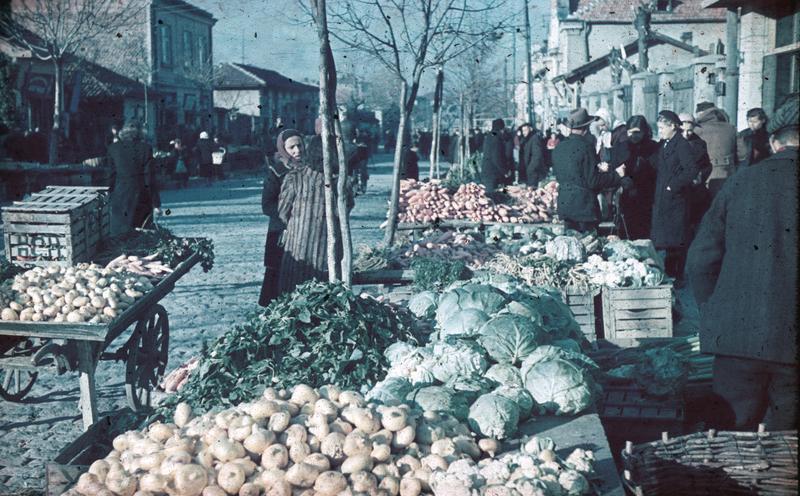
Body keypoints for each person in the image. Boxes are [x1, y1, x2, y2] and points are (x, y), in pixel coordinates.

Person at [686, 124, 798, 431]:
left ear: (775, 143)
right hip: (792, 347)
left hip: (738, 336)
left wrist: (714, 309)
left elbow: (699, 260)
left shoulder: (741, 182)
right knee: (785, 446)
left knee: (733, 436)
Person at [276, 131, 351, 295]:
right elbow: (347, 209)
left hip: (297, 247)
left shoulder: (295, 177)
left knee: (294, 294)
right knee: (324, 295)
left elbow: (282, 211)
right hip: (328, 248)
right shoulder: (340, 181)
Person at [552, 108, 625, 232]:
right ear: (585, 128)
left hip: (565, 204)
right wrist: (616, 175)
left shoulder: (559, 147)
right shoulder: (586, 147)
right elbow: (593, 181)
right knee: (587, 246)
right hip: (583, 207)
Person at [649, 110, 701, 283]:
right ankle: (671, 273)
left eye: (662, 128)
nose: (660, 131)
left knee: (676, 240)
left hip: (675, 199)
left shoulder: (681, 145)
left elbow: (692, 170)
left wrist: (673, 186)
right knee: (668, 239)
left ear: (673, 126)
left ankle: (677, 276)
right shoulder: (666, 143)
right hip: (665, 198)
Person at [259, 129, 302, 306]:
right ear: (283, 149)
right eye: (292, 147)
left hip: (304, 230)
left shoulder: (310, 168)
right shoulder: (276, 172)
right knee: (276, 272)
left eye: (300, 145)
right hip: (281, 231)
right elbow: (267, 204)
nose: (297, 150)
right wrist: (287, 216)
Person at [107, 120, 160, 236]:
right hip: (141, 197)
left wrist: (109, 194)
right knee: (141, 234)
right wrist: (156, 204)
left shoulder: (113, 149)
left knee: (120, 234)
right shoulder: (146, 148)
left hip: (120, 197)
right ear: (140, 133)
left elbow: (110, 176)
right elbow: (149, 178)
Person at [610, 115, 658, 240]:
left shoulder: (653, 147)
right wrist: (622, 179)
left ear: (644, 131)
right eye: (630, 132)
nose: (634, 136)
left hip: (646, 194)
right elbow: (614, 167)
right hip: (626, 194)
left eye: (637, 132)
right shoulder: (620, 147)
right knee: (626, 229)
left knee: (644, 230)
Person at [693, 102, 737, 199]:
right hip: (728, 174)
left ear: (701, 113)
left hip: (706, 176)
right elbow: (742, 154)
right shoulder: (731, 128)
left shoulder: (697, 130)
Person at [679, 113, 713, 238]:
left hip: (695, 190)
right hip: (678, 190)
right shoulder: (668, 144)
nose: (686, 134)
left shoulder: (700, 143)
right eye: (682, 130)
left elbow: (707, 165)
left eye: (690, 131)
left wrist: (700, 176)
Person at [480, 119, 510, 191]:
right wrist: (505, 171)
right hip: (493, 173)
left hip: (487, 171)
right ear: (501, 129)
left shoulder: (490, 136)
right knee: (492, 195)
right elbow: (496, 158)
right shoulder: (496, 139)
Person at [519, 123, 546, 188]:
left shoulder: (534, 138)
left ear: (530, 129)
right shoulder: (525, 139)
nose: (523, 132)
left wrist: (530, 169)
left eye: (525, 130)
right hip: (527, 171)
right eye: (523, 131)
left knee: (532, 191)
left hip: (532, 172)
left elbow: (537, 156)